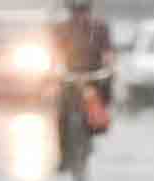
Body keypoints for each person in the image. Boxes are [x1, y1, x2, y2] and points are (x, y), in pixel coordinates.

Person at [50, 0, 112, 172]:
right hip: (69, 78)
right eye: (76, 11)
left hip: (94, 78)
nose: (80, 15)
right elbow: (55, 54)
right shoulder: (61, 29)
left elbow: (108, 54)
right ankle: (64, 157)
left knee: (99, 109)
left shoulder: (100, 28)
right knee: (62, 115)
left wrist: (108, 69)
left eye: (83, 11)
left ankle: (91, 135)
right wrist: (53, 71)